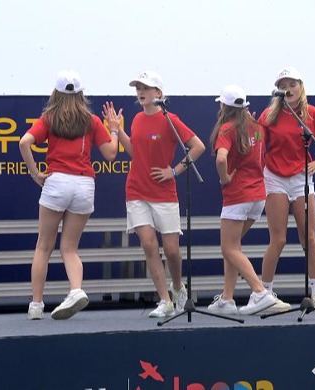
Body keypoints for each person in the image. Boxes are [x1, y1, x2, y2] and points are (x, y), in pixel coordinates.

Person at [103, 70, 205, 318]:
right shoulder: (137, 119)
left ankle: (178, 287)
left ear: (158, 93)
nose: (140, 92)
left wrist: (175, 171)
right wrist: (117, 130)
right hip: (136, 190)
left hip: (165, 193)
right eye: (138, 88)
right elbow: (134, 152)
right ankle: (164, 300)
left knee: (171, 250)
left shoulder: (170, 120)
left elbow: (198, 146)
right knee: (149, 245)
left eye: (146, 88)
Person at [20, 70, 119, 320]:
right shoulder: (92, 120)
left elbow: (24, 142)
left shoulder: (49, 118)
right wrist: (115, 129)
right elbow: (111, 154)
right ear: (81, 93)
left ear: (56, 92)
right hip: (84, 185)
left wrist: (35, 174)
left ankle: (36, 306)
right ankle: (75, 290)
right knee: (70, 248)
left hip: (56, 182)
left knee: (43, 246)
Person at [258, 66, 315, 311]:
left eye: (292, 84)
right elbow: (257, 144)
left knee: (310, 237)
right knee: (279, 239)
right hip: (274, 177)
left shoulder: (311, 113)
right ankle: (265, 294)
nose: (288, 89)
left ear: (300, 86)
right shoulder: (269, 115)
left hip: (301, 178)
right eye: (283, 86)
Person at [207, 85, 277, 315]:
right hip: (258, 197)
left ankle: (260, 292)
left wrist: (225, 177)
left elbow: (221, 159)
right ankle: (227, 299)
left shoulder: (226, 129)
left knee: (228, 248)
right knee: (233, 248)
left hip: (238, 196)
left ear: (223, 107)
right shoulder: (256, 126)